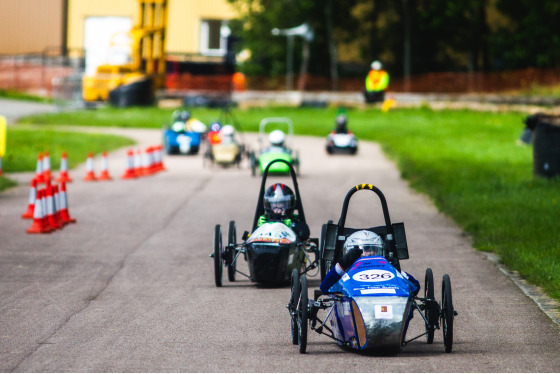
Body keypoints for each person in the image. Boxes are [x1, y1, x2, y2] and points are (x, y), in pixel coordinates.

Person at [319, 229, 419, 341]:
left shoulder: (388, 269)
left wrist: (397, 271)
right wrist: (342, 264)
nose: (367, 253)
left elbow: (415, 286)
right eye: (362, 250)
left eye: (372, 249)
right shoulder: (345, 275)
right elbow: (324, 287)